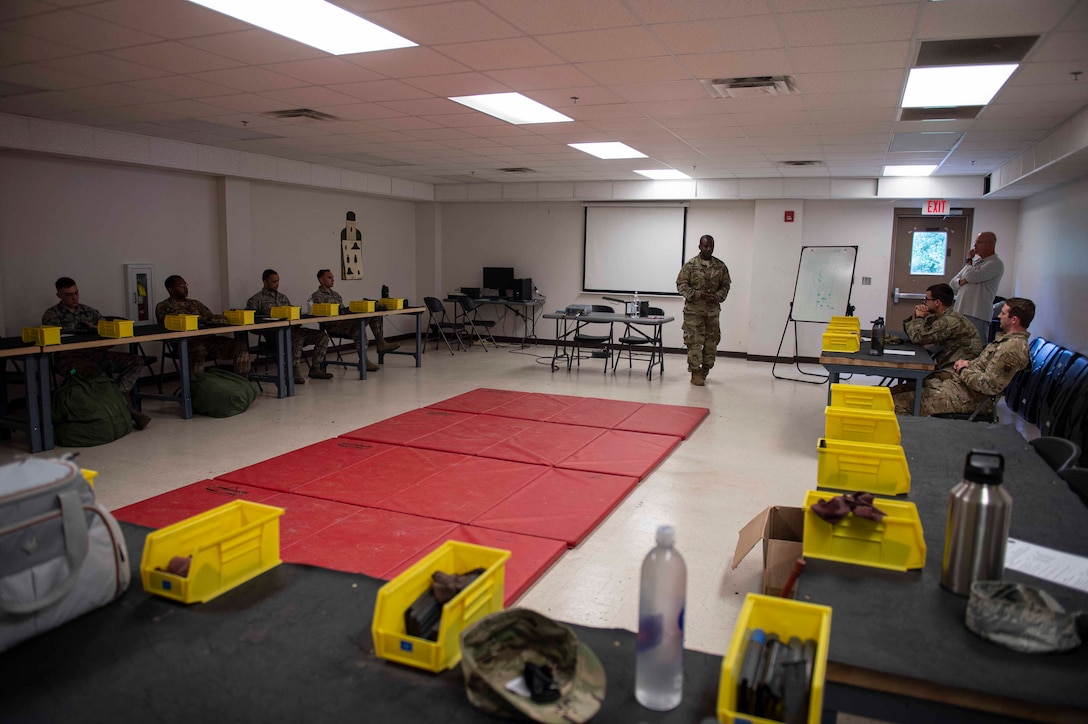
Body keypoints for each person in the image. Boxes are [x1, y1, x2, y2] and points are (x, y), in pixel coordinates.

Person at [893, 297, 1034, 417]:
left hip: (968, 397)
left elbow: (990, 386)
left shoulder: (1012, 349)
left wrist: (963, 370)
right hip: (959, 386)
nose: (999, 316)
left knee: (895, 404)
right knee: (889, 394)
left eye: (1003, 314)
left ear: (1014, 319)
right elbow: (984, 367)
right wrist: (967, 364)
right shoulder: (1005, 341)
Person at [42, 277, 150, 430]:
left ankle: (114, 397)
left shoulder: (89, 311)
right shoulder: (52, 315)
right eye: (68, 294)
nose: (74, 297)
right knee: (91, 373)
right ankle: (125, 408)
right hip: (68, 361)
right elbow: (55, 342)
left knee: (136, 361)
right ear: (58, 295)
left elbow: (107, 333)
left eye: (76, 293)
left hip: (94, 354)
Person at [245, 269, 333, 384]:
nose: (277, 284)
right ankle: (293, 372)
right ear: (265, 282)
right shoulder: (256, 300)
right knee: (296, 339)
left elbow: (292, 313)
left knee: (322, 336)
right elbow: (252, 323)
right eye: (273, 281)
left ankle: (316, 368)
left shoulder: (283, 298)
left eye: (278, 281)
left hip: (292, 330)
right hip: (274, 334)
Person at [154, 275, 250, 376]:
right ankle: (196, 386)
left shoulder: (195, 303)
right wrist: (202, 319)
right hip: (185, 342)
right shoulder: (164, 306)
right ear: (171, 290)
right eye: (181, 285)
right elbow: (175, 321)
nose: (185, 288)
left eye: (186, 285)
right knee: (198, 349)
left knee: (239, 345)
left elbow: (211, 317)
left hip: (207, 339)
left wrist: (222, 317)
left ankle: (243, 382)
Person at [308, 269, 399, 373]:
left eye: (333, 277)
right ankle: (364, 361)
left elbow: (342, 310)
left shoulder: (336, 294)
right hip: (333, 326)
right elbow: (323, 314)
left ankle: (380, 342)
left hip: (345, 322)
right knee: (358, 328)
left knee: (374, 314)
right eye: (329, 278)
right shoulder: (317, 296)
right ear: (321, 280)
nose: (333, 280)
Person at [675, 234, 731, 386]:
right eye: (705, 246)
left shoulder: (720, 266)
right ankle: (695, 371)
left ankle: (706, 369)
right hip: (693, 312)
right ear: (699, 246)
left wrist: (717, 296)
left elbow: (725, 286)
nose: (708, 249)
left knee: (711, 342)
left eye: (711, 246)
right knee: (694, 342)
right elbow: (681, 285)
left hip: (712, 313)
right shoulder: (690, 265)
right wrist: (698, 294)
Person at [900, 283, 982, 382]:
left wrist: (919, 317)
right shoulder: (940, 317)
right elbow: (914, 333)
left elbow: (918, 338)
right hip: (949, 363)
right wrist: (915, 315)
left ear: (937, 302)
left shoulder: (949, 321)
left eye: (927, 299)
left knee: (913, 378)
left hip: (957, 370)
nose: (924, 302)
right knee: (911, 374)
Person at [949, 231, 1004, 343]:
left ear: (989, 245)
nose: (974, 246)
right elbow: (952, 283)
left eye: (978, 243)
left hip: (977, 314)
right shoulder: (975, 263)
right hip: (961, 312)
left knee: (976, 347)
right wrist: (963, 281)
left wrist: (969, 260)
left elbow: (971, 276)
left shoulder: (994, 263)